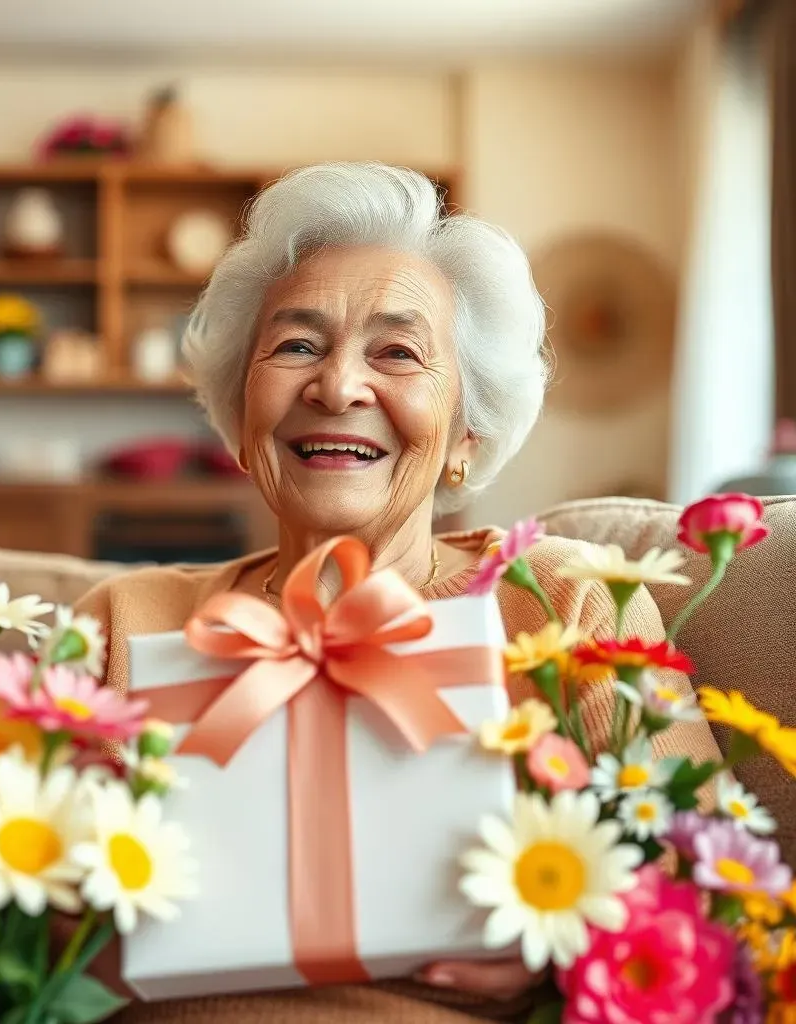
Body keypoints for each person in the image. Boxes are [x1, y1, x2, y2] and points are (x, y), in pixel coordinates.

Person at [72, 162, 721, 1023]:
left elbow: (715, 895)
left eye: (398, 353)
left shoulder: (568, 604)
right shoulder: (123, 625)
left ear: (465, 432)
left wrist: (564, 943)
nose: (338, 387)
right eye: (296, 345)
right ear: (240, 410)